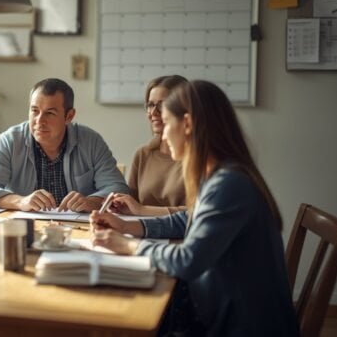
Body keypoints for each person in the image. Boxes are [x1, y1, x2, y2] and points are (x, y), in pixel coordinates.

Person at [90, 80, 299, 336]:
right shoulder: (220, 174)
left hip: (240, 326)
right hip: (222, 311)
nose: (163, 134)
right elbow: (187, 220)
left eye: (167, 123)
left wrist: (128, 244)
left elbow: (188, 260)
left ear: (187, 124)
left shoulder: (229, 184)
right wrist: (128, 226)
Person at [0, 78, 129, 212]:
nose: (39, 121)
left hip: (79, 229)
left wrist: (91, 201)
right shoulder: (10, 141)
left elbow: (118, 188)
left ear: (69, 116)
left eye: (50, 113)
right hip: (26, 228)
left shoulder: (91, 141)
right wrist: (21, 201)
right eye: (35, 111)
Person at [110, 75, 188, 217]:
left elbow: (198, 212)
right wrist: (120, 204)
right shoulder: (143, 154)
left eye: (162, 105)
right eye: (150, 105)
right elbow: (132, 205)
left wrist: (142, 210)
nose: (153, 113)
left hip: (180, 237)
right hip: (142, 232)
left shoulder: (199, 156)